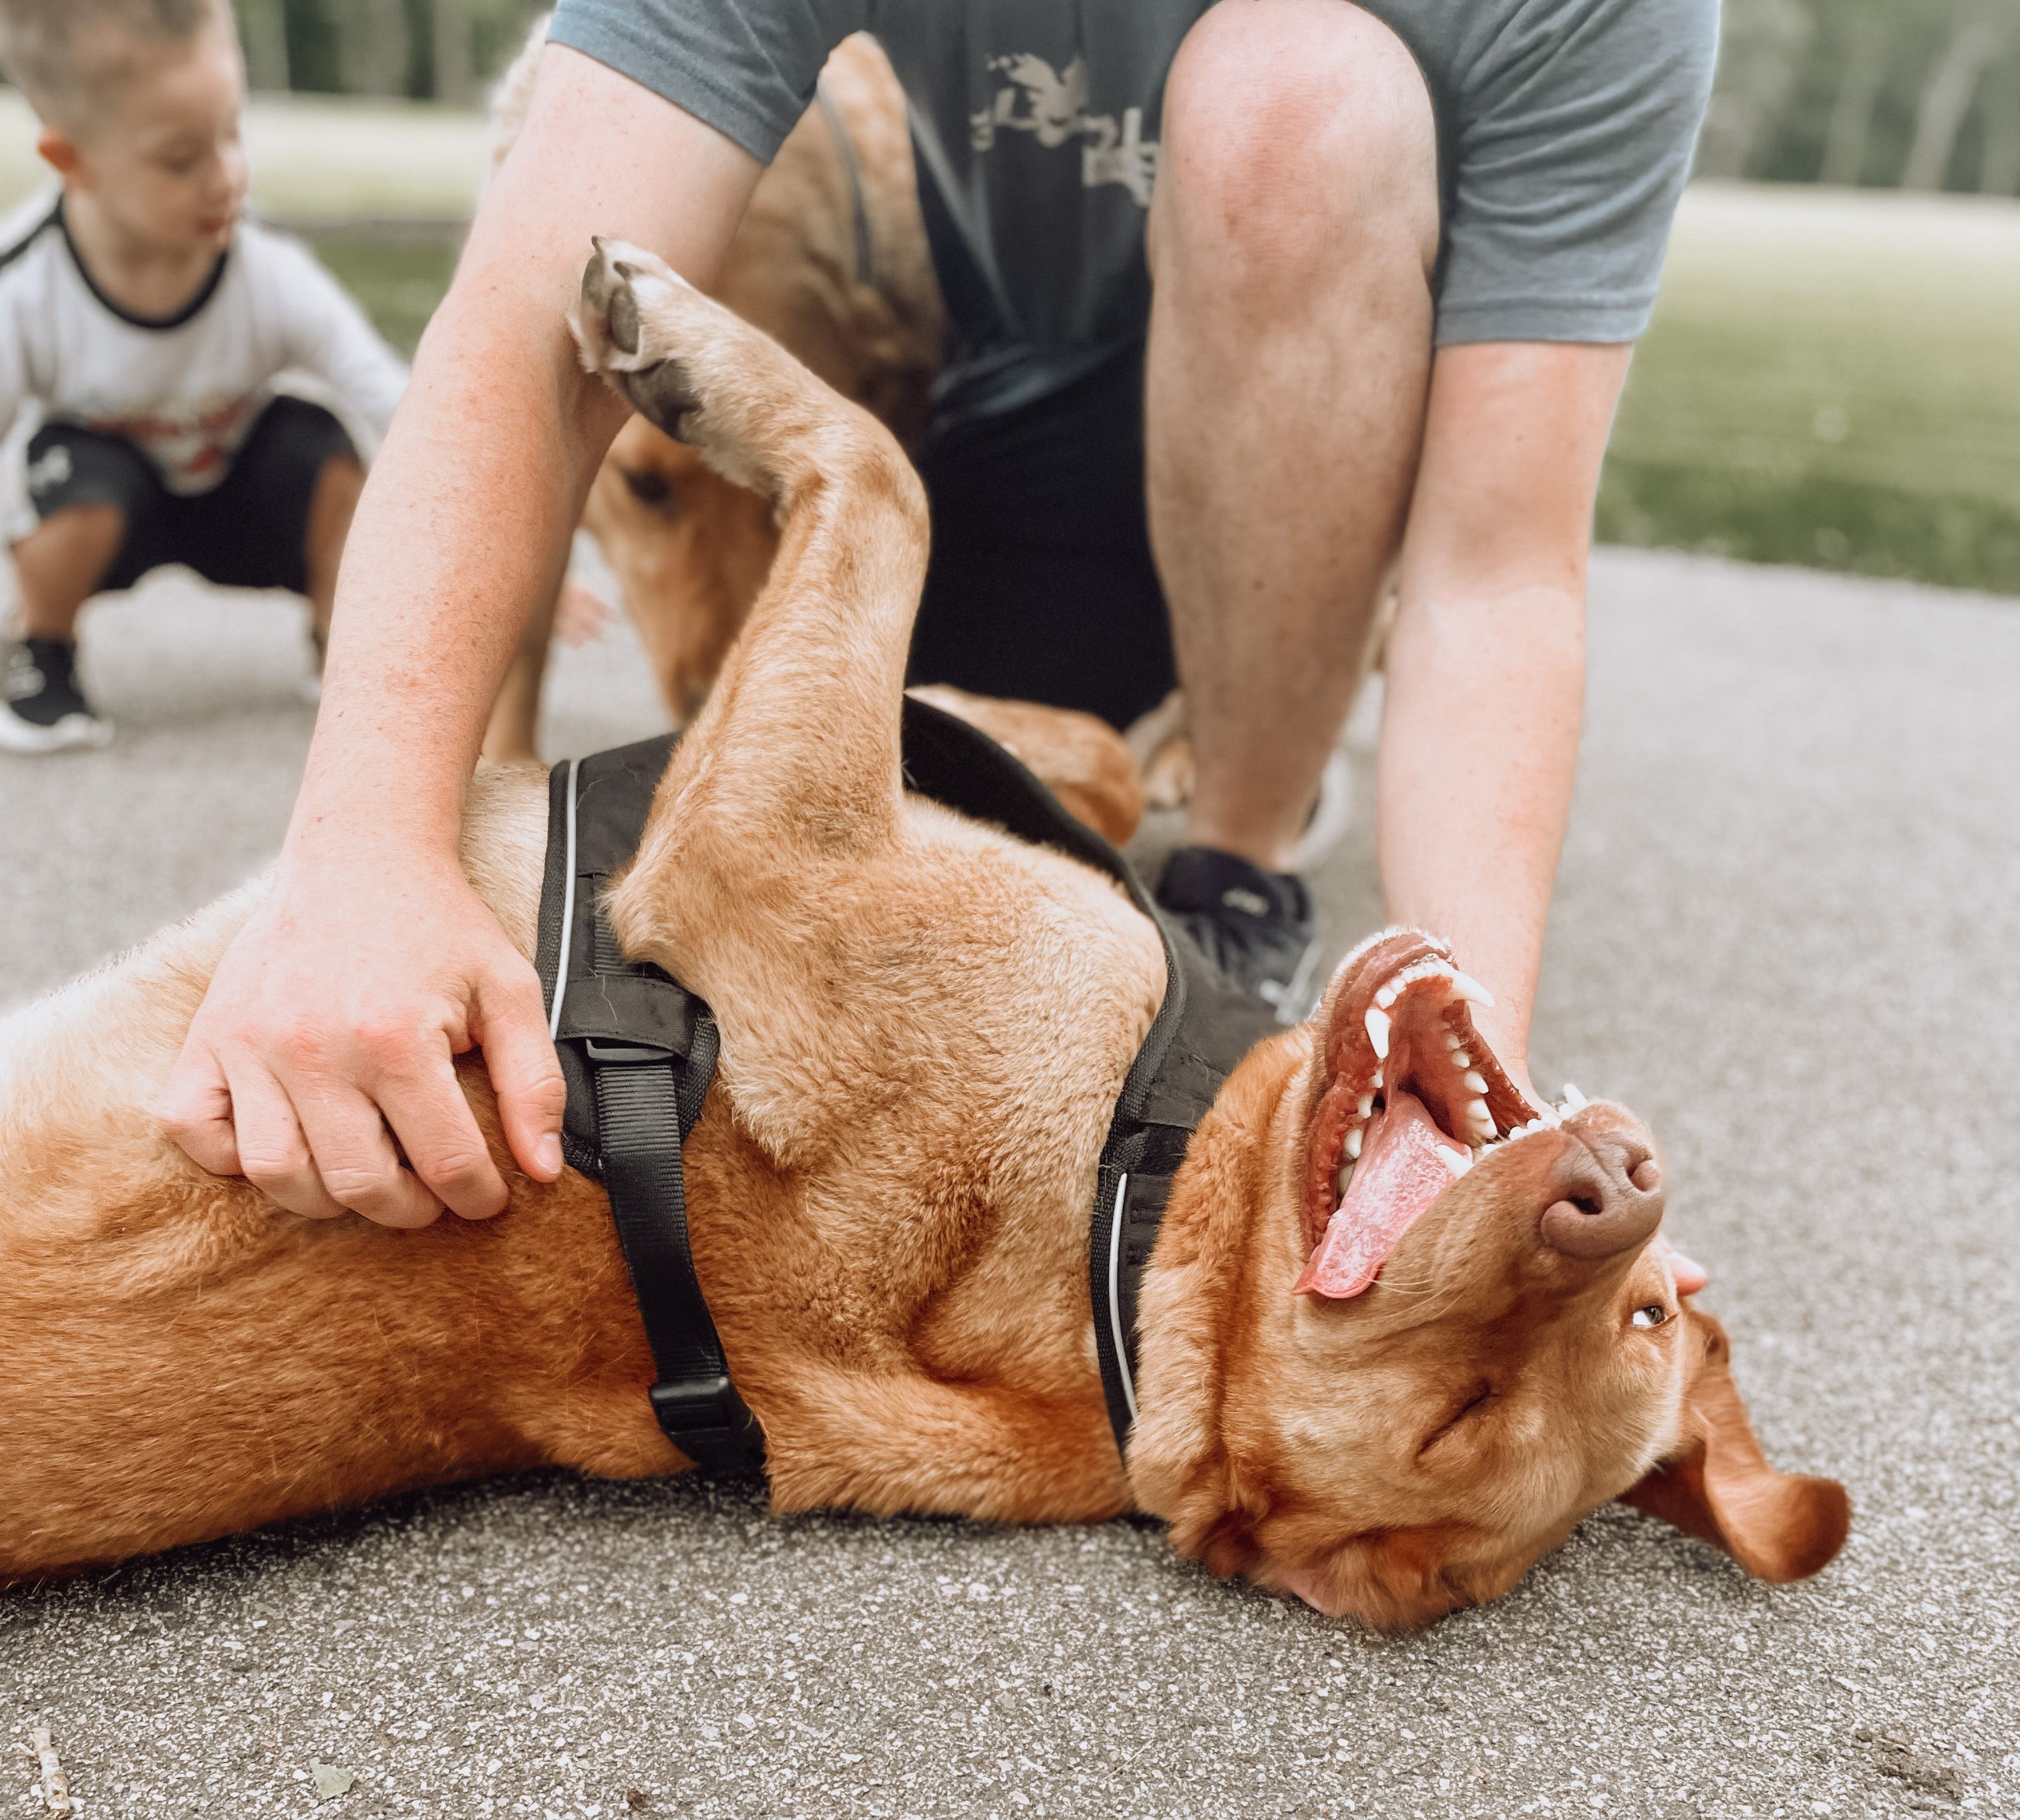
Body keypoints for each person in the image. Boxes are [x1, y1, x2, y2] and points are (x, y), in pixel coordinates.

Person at [162, 0, 1717, 1229]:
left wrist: (1464, 1063)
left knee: (1296, 92)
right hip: (1005, 438)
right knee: (844, 840)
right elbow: (535, 320)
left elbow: (1496, 572)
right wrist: (365, 847)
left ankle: (1244, 843)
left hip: (1318, 466)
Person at [0, 0, 406, 753]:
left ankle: (345, 642)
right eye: (182, 159)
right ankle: (41, 651)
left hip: (239, 495)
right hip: (104, 507)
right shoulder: (24, 284)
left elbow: (396, 398)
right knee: (66, 476)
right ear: (73, 162)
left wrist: (516, 557)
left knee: (324, 446)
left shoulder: (268, 267)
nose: (229, 176)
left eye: (233, 133)